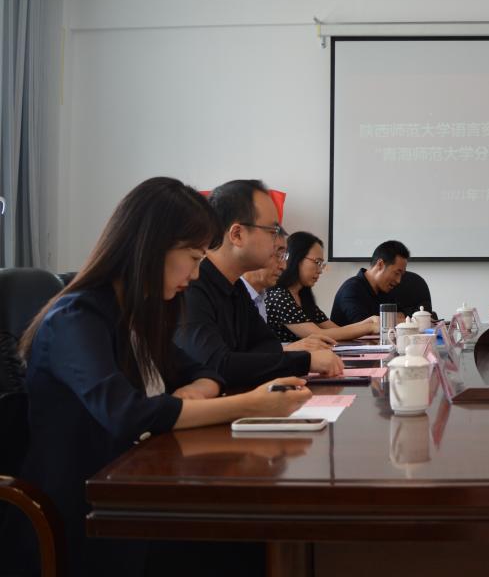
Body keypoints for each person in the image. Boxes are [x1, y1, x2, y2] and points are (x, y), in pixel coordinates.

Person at [8, 177, 311, 576]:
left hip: (133, 485)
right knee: (246, 545)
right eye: (193, 257)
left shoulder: (139, 312)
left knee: (256, 538)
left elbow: (204, 369)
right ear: (151, 247)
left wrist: (196, 391)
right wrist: (252, 405)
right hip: (84, 510)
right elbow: (127, 414)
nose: (197, 274)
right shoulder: (77, 317)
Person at [176, 180, 342, 387]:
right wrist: (306, 361)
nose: (278, 241)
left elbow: (268, 348)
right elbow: (216, 366)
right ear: (237, 234)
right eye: (272, 231)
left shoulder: (236, 287)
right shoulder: (192, 287)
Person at [266, 232, 378, 343]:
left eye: (321, 264)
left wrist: (369, 322)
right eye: (317, 262)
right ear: (297, 258)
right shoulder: (279, 297)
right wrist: (370, 327)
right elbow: (319, 334)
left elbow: (336, 330)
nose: (320, 271)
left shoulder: (303, 297)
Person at [331, 240, 410, 326]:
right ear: (380, 264)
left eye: (401, 275)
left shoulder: (385, 289)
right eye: (397, 273)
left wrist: (387, 320)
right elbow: (367, 327)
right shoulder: (351, 289)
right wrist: (391, 320)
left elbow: (404, 316)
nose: (398, 280)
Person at [241, 244, 287, 322]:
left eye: (284, 256)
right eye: (278, 255)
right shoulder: (230, 298)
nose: (284, 266)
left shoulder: (260, 297)